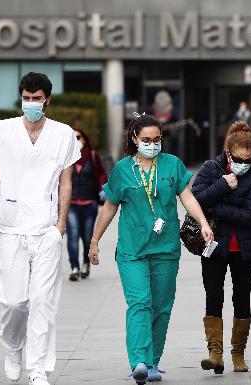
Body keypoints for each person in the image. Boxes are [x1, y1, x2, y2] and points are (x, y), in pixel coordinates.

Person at [87, 114, 214, 385]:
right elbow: (110, 206)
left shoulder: (172, 165)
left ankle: (154, 361)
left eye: (157, 140)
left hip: (165, 248)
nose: (152, 145)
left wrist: (203, 222)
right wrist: (95, 240)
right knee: (139, 303)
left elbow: (187, 196)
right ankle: (139, 362)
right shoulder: (122, 169)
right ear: (134, 139)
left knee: (161, 307)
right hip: (132, 250)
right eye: (146, 140)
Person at [0, 72, 81, 385]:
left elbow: (66, 182)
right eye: (27, 98)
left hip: (46, 230)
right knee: (13, 302)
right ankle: (13, 348)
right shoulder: (3, 131)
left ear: (47, 99)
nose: (31, 104)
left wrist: (60, 225)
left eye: (37, 99)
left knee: (42, 301)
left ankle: (37, 368)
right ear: (21, 97)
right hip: (10, 228)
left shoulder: (63, 134)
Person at [191, 121, 251, 375]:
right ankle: (215, 353)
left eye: (248, 159)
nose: (243, 163)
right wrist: (223, 186)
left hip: (245, 248)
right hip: (214, 245)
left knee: (241, 298)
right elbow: (196, 200)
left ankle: (238, 354)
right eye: (238, 158)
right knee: (213, 295)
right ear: (228, 153)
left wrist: (217, 206)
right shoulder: (211, 169)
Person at [67, 128, 108, 281]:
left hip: (89, 202)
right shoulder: (66, 157)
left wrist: (103, 189)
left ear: (84, 139)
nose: (75, 140)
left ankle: (85, 264)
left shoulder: (92, 155)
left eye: (78, 137)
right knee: (73, 235)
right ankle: (74, 267)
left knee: (87, 236)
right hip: (71, 203)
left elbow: (102, 174)